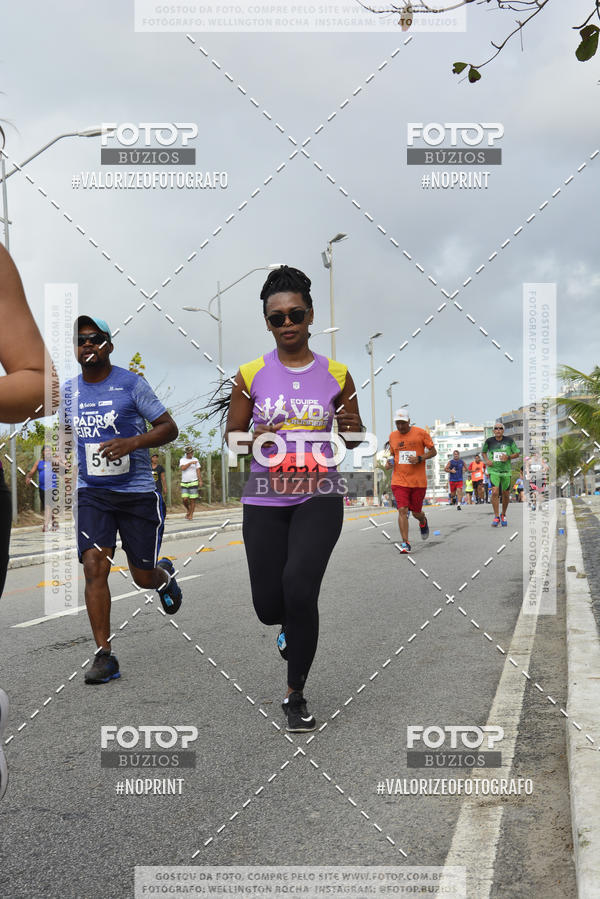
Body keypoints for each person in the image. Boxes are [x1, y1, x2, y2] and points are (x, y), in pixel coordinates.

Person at [222, 265, 364, 732]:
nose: (288, 323)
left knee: (300, 588)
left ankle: (295, 694)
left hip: (319, 493)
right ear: (267, 323)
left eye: (296, 314)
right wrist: (255, 436)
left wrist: (352, 430)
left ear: (310, 316)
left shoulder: (337, 374)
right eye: (277, 317)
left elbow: (354, 437)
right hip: (265, 495)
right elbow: (233, 438)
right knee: (269, 606)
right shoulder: (250, 374)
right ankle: (288, 626)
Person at [61, 315, 182, 685]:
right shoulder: (68, 392)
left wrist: (132, 442)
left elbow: (169, 428)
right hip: (93, 494)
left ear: (109, 345)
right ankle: (104, 655)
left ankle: (163, 576)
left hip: (137, 494)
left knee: (142, 577)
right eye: (81, 339)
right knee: (94, 565)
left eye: (95, 338)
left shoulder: (131, 384)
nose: (87, 344)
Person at [387, 410, 437, 552]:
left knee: (416, 513)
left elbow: (433, 452)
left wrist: (420, 458)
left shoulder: (420, 433)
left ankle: (423, 520)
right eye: (397, 423)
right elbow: (392, 455)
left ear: (409, 421)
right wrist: (389, 463)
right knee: (402, 510)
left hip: (418, 482)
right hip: (399, 481)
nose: (400, 426)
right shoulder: (392, 436)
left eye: (403, 423)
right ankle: (405, 543)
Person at [482, 422, 520, 526]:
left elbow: (517, 453)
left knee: (506, 494)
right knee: (495, 492)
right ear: (493, 431)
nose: (498, 430)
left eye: (500, 428)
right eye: (496, 428)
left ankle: (503, 514)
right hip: (494, 470)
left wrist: (508, 457)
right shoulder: (489, 441)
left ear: (503, 430)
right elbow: (484, 452)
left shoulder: (509, 441)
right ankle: (496, 516)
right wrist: (487, 460)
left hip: (506, 471)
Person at [26, 445, 60, 531]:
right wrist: (28, 477)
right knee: (47, 506)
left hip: (52, 487)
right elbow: (32, 471)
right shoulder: (39, 463)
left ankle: (45, 525)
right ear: (43, 452)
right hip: (42, 488)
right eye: (46, 450)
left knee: (48, 506)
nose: (48, 452)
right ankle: (54, 522)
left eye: (49, 451)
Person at [179, 446, 202, 519]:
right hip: (184, 482)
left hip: (194, 481)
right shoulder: (182, 460)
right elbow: (182, 468)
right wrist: (190, 463)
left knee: (192, 499)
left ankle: (191, 514)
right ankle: (189, 510)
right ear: (186, 453)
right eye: (189, 453)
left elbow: (198, 470)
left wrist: (200, 480)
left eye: (192, 452)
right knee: (184, 499)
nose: (191, 454)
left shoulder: (196, 459)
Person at [151, 452, 167, 519]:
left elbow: (163, 478)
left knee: (159, 501)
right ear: (151, 458)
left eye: (156, 457)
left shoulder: (160, 467)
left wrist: (165, 487)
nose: (155, 459)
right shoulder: (148, 467)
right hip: (149, 487)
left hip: (158, 487)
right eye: (154, 457)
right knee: (151, 501)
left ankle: (161, 514)